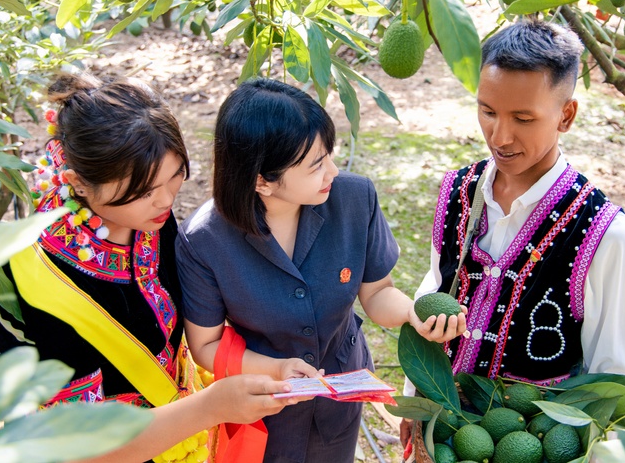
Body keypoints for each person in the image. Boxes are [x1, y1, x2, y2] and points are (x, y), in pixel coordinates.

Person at [0, 73, 312, 463]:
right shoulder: (27, 276)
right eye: (143, 191)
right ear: (78, 183)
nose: (166, 200)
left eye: (175, 176)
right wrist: (209, 408)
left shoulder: (150, 220)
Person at [176, 78, 468, 463]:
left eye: (330, 154)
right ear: (261, 180)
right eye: (316, 165)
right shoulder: (204, 240)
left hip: (340, 393)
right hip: (262, 406)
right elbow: (205, 345)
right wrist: (278, 369)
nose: (332, 171)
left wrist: (412, 312)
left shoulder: (353, 198)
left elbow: (377, 292)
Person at [401, 19, 625, 443]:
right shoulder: (459, 192)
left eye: (523, 118)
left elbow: (613, 379)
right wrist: (415, 400)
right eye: (488, 111)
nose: (500, 135)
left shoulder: (603, 234)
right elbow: (437, 285)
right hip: (445, 436)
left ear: (565, 115)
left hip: (534, 442)